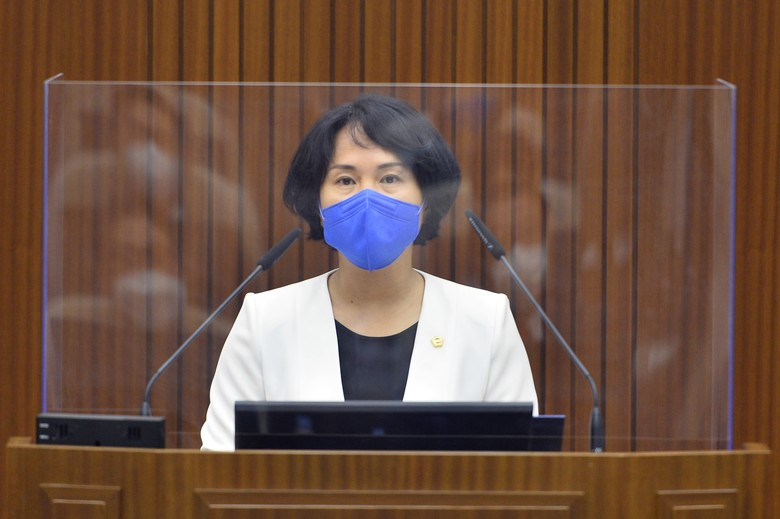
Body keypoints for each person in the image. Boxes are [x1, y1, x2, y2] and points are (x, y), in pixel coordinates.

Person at [200, 94, 538, 450]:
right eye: (345, 180)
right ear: (317, 203)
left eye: (389, 178)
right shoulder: (265, 320)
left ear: (426, 200)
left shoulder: (485, 320)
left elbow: (520, 467)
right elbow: (220, 463)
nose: (367, 197)